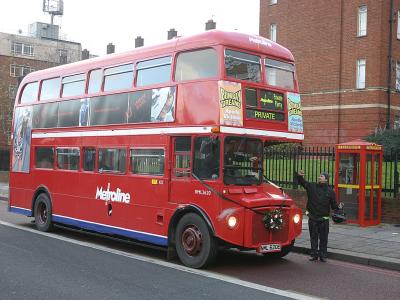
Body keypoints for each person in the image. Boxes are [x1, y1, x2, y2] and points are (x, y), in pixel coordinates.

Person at [297, 170, 343, 262]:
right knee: (313, 237)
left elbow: (333, 205)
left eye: (321, 176)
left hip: (324, 219)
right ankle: (314, 254)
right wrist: (300, 176)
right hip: (313, 217)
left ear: (326, 179)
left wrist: (339, 206)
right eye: (319, 176)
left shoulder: (330, 192)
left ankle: (322, 255)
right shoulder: (312, 186)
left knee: (323, 238)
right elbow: (303, 183)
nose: (319, 177)